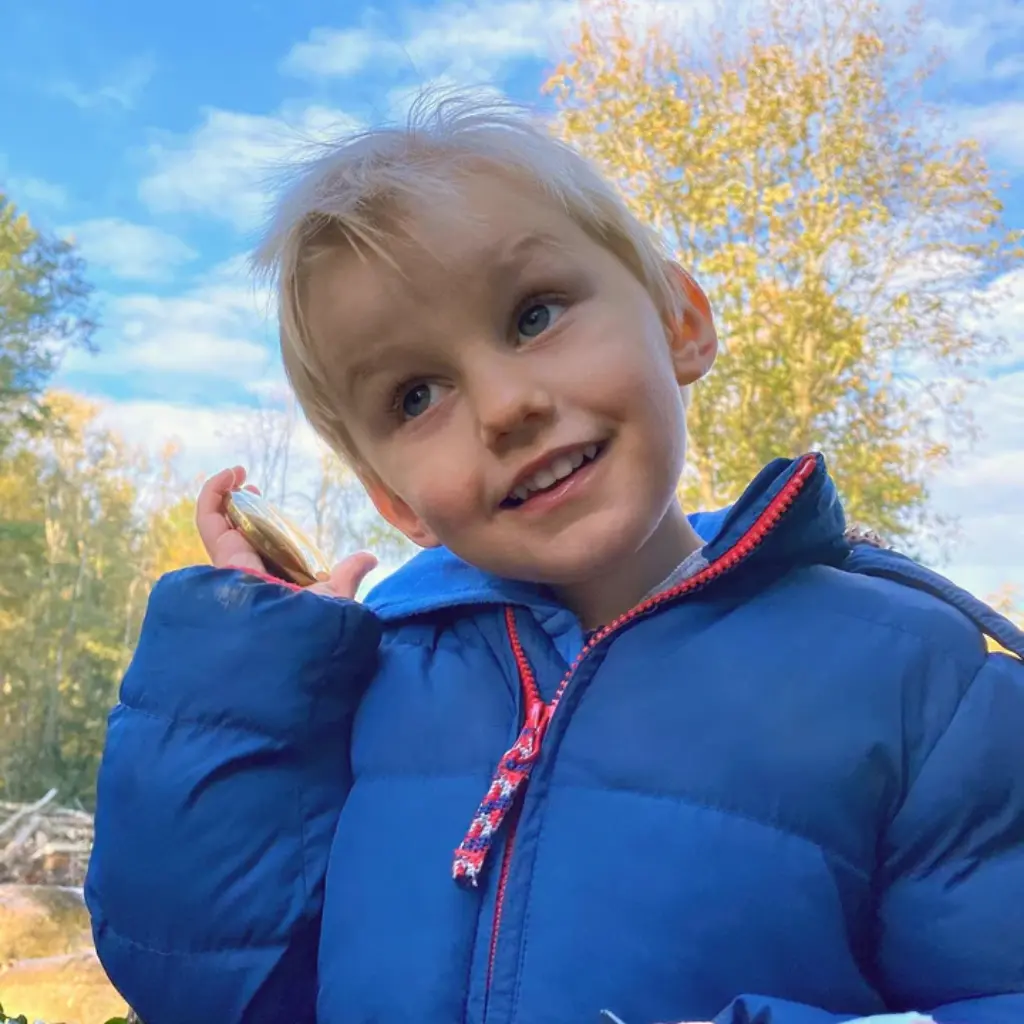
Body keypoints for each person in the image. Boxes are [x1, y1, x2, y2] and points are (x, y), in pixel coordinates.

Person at [84, 92, 1024, 1024]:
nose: (504, 407)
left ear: (680, 319)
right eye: (416, 396)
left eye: (534, 316)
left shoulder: (921, 683)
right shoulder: (366, 680)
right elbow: (201, 983)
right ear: (397, 503)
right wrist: (241, 688)